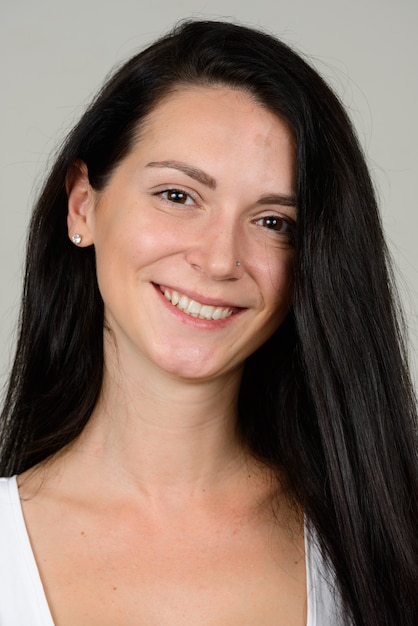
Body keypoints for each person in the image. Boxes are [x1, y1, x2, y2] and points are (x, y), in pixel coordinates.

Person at [0, 19, 417, 626]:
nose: (220, 259)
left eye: (273, 222)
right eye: (177, 196)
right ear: (83, 205)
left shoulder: (381, 544)